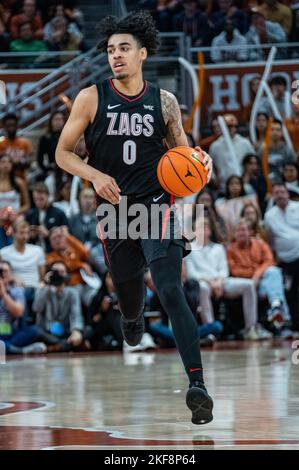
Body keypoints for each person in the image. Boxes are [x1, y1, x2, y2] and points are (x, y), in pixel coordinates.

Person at [55, 10, 214, 425]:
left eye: (124, 48)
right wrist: (94, 174)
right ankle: (131, 318)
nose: (116, 56)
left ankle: (196, 383)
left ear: (142, 53)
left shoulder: (164, 101)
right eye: (110, 50)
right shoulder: (92, 97)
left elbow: (184, 154)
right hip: (115, 212)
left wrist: (199, 160)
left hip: (156, 206)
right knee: (128, 294)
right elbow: (62, 153)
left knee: (170, 289)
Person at [227, 218, 289, 324]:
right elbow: (235, 271)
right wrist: (255, 273)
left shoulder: (260, 244)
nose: (241, 233)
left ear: (250, 232)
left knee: (274, 271)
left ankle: (276, 307)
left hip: (263, 283)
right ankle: (283, 318)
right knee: (274, 281)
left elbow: (270, 261)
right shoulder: (230, 250)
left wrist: (257, 275)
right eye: (238, 230)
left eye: (243, 230)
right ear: (234, 234)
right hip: (246, 286)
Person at [264, 183, 299, 330]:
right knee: (290, 292)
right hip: (286, 260)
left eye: (282, 192)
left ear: (287, 193)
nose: (280, 195)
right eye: (276, 192)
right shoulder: (269, 215)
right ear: (273, 195)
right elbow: (270, 239)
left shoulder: (298, 207)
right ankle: (296, 324)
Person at [33, 261, 87, 352]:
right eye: (56, 272)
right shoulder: (44, 289)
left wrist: (76, 331)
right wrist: (46, 285)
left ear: (66, 274)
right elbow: (36, 308)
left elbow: (76, 313)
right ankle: (64, 345)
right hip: (47, 331)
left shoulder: (72, 292)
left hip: (66, 330)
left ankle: (58, 346)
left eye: (62, 272)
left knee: (87, 330)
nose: (59, 275)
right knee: (35, 331)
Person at [0, 260, 46, 354]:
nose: (2, 274)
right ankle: (19, 350)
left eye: (5, 271)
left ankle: (7, 348)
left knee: (34, 330)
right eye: (0, 271)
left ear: (11, 273)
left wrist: (3, 294)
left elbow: (18, 312)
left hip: (11, 332)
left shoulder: (17, 291)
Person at [25, 182, 68, 252]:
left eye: (41, 199)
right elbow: (25, 237)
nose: (38, 202)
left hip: (53, 251)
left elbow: (67, 237)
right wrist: (30, 235)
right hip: (33, 251)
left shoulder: (59, 213)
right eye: (35, 199)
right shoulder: (30, 214)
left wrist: (48, 234)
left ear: (48, 196)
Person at [0, 113, 33, 180]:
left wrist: (12, 163)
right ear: (4, 126)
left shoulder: (25, 143)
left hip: (22, 179)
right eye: (8, 125)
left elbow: (29, 163)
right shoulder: (1, 144)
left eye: (13, 125)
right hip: (5, 181)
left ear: (17, 126)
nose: (11, 127)